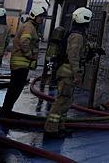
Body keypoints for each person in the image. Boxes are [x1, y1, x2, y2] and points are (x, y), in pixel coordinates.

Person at [44, 7, 104, 137]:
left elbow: (83, 48)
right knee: (61, 101)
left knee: (66, 101)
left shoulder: (77, 33)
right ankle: (51, 129)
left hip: (67, 72)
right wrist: (77, 74)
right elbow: (73, 56)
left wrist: (94, 49)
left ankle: (60, 127)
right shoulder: (77, 36)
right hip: (68, 73)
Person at [2, 6, 47, 117]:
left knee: (15, 87)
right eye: (40, 16)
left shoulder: (30, 26)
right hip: (20, 63)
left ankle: (7, 110)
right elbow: (24, 42)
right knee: (15, 88)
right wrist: (30, 55)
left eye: (42, 17)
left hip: (21, 63)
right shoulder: (29, 27)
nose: (42, 19)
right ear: (34, 16)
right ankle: (6, 112)